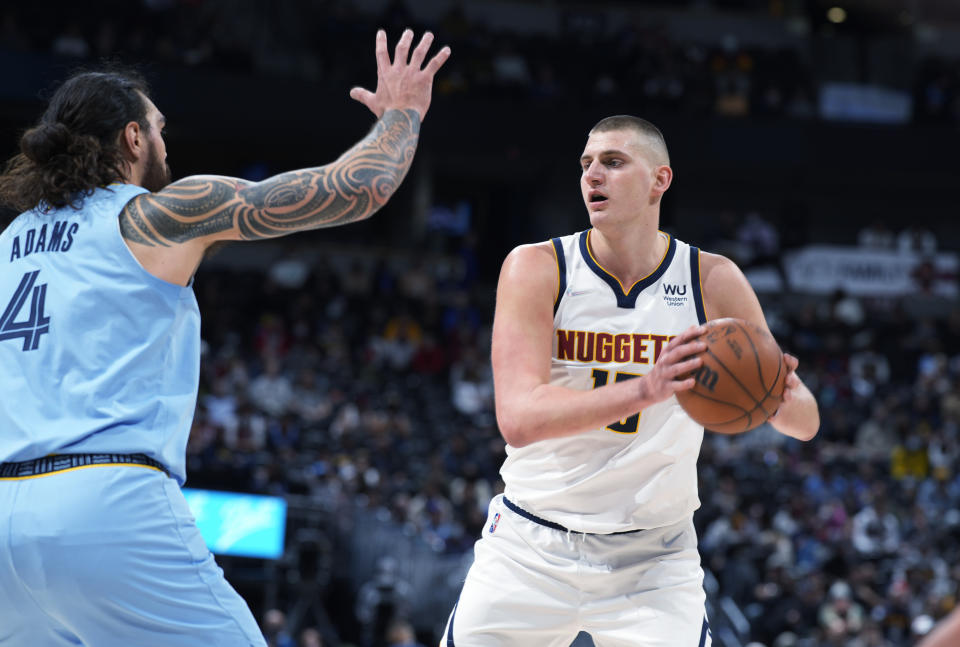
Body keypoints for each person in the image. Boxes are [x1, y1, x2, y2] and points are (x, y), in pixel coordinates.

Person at [0, 29, 449, 647]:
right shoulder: (153, 215)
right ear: (133, 137)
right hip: (105, 502)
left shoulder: (12, 242)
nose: (165, 142)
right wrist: (402, 114)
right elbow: (360, 187)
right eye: (158, 128)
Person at [441, 115, 819, 646]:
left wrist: (776, 390)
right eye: (586, 164)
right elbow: (519, 419)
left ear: (660, 180)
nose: (593, 175)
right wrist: (647, 387)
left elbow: (804, 423)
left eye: (613, 163)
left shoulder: (710, 279)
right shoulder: (537, 268)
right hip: (529, 547)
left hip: (653, 560)